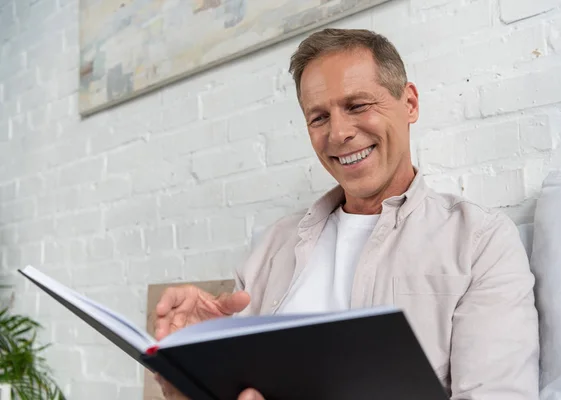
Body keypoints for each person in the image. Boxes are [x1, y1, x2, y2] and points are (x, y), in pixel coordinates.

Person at [154, 28, 540, 400]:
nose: (338, 133)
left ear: (410, 103)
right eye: (319, 117)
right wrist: (192, 373)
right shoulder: (269, 249)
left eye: (357, 106)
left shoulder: (479, 242)